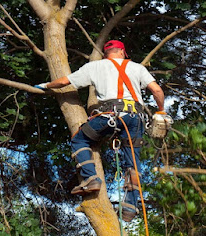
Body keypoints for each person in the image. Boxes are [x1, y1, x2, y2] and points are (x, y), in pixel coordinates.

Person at [35, 40, 166, 222]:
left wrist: (46, 86)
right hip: (136, 118)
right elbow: (157, 90)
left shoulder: (94, 67)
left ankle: (91, 179)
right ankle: (130, 206)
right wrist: (161, 111)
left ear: (106, 54)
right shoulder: (137, 68)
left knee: (79, 140)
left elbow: (65, 81)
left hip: (111, 115)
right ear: (122, 52)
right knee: (132, 165)